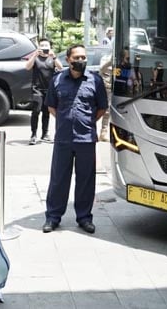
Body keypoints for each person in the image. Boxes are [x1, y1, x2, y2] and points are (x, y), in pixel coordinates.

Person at [42, 44, 108, 234]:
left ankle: (84, 218)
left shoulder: (95, 80)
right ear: (68, 60)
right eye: (77, 58)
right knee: (58, 179)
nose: (81, 61)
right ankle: (53, 217)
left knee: (86, 180)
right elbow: (51, 107)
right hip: (63, 138)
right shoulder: (57, 80)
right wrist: (66, 121)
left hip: (86, 139)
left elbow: (102, 108)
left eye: (83, 57)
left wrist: (85, 122)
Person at [25, 37, 62, 145]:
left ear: (50, 47)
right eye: (42, 46)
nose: (44, 48)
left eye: (46, 46)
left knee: (47, 112)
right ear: (38, 47)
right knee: (36, 111)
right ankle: (33, 135)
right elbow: (27, 67)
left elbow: (60, 68)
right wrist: (34, 55)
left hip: (49, 90)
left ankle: (45, 134)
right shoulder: (35, 58)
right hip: (37, 89)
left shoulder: (52, 58)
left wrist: (53, 56)